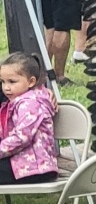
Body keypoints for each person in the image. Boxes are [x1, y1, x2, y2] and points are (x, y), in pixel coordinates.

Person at [0, 54, 59, 186]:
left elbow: (21, 138)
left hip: (35, 168)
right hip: (21, 164)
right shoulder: (16, 102)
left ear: (31, 82)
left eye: (12, 81)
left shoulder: (31, 103)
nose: (6, 87)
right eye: (2, 82)